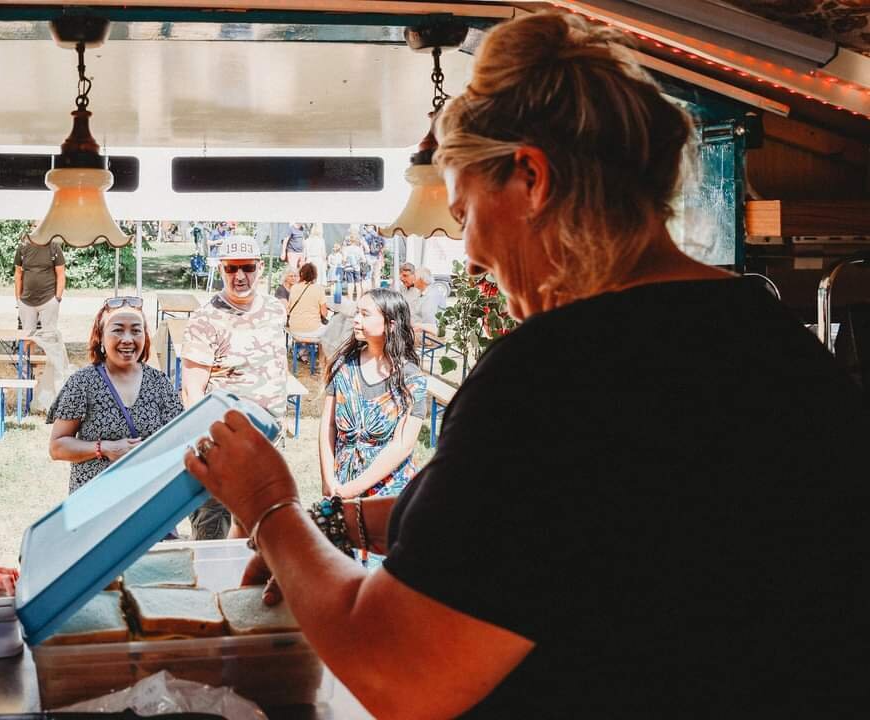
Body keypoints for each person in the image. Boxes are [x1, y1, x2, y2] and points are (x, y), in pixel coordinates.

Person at [181, 11, 870, 718]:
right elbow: (548, 526)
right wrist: (340, 523)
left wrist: (271, 506)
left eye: (466, 211)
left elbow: (398, 669)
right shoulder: (770, 340)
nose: (472, 258)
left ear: (532, 178)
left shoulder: (560, 373)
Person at [181, 236, 287, 540]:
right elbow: (193, 392)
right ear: (221, 269)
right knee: (212, 537)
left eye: (247, 268)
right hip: (222, 448)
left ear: (260, 267)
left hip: (269, 444)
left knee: (267, 536)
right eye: (231, 269)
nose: (240, 276)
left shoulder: (275, 310)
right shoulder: (205, 319)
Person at [47, 297, 182, 493]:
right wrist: (104, 448)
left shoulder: (160, 383)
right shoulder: (83, 383)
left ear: (145, 337)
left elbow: (179, 440)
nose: (127, 339)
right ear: (101, 337)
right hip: (96, 502)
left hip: (151, 500)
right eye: (118, 330)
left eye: (136, 330)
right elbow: (57, 447)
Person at [320, 288, 426, 500]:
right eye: (357, 312)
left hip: (388, 496)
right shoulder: (344, 367)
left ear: (391, 324)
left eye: (365, 314)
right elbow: (328, 426)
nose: (356, 320)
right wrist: (328, 479)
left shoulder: (411, 379)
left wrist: (354, 489)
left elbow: (403, 445)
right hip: (339, 488)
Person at [14, 230, 65, 334]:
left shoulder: (54, 247)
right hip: (26, 301)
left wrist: (57, 299)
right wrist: (18, 299)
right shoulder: (22, 247)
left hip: (49, 300)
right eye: (36, 226)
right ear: (31, 228)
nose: (38, 229)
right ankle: (29, 351)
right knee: (28, 337)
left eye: (41, 226)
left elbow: (61, 274)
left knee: (49, 337)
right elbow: (18, 274)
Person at [286, 262, 327, 336]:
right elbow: (324, 314)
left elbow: (288, 309)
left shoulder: (294, 287)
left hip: (294, 328)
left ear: (301, 274)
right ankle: (321, 348)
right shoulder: (319, 289)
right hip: (313, 329)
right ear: (315, 275)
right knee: (327, 332)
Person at [411, 266, 439, 336]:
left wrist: (410, 330)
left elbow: (429, 326)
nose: (412, 280)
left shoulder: (431, 296)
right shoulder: (422, 292)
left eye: (414, 278)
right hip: (419, 330)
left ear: (421, 279)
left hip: (427, 335)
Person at [341, 234, 365, 301]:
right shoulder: (359, 249)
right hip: (357, 268)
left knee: (350, 284)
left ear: (350, 241)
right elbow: (364, 260)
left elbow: (344, 260)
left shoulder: (346, 249)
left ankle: (350, 300)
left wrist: (343, 263)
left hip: (348, 268)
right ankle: (358, 299)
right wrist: (358, 261)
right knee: (358, 284)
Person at [361, 224, 385, 289]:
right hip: (378, 257)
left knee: (368, 276)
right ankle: (377, 292)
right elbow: (383, 248)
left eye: (365, 227)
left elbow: (367, 249)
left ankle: (369, 292)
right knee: (377, 276)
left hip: (369, 258)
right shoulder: (380, 236)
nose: (364, 228)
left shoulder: (366, 236)